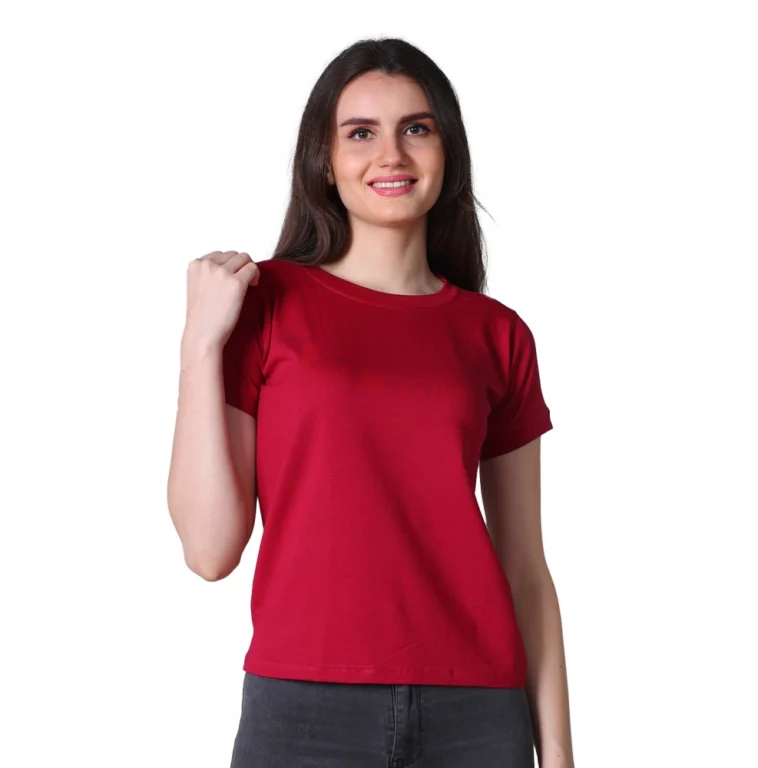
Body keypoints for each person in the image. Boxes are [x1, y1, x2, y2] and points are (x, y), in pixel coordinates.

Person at [167, 36, 575, 768]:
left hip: (479, 714)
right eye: (360, 133)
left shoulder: (498, 335)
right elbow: (209, 550)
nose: (391, 154)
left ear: (447, 151)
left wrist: (562, 757)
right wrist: (199, 346)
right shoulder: (262, 305)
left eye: (416, 128)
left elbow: (525, 569)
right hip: (302, 711)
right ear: (324, 160)